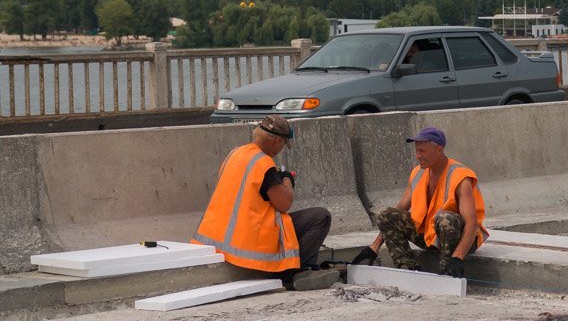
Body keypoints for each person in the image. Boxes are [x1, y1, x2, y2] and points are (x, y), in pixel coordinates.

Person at [192, 115, 338, 290]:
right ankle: (297, 274)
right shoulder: (263, 164)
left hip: (219, 241)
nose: (281, 149)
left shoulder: (235, 154)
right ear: (276, 141)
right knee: (320, 217)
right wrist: (286, 180)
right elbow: (284, 204)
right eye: (283, 145)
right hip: (249, 248)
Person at [350, 126, 486, 278]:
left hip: (462, 239)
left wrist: (458, 256)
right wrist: (374, 246)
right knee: (385, 214)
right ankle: (408, 268)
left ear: (439, 150)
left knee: (445, 219)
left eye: (422, 151)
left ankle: (447, 270)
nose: (417, 156)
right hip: (431, 235)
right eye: (416, 151)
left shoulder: (460, 176)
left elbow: (472, 223)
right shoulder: (417, 173)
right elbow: (399, 210)